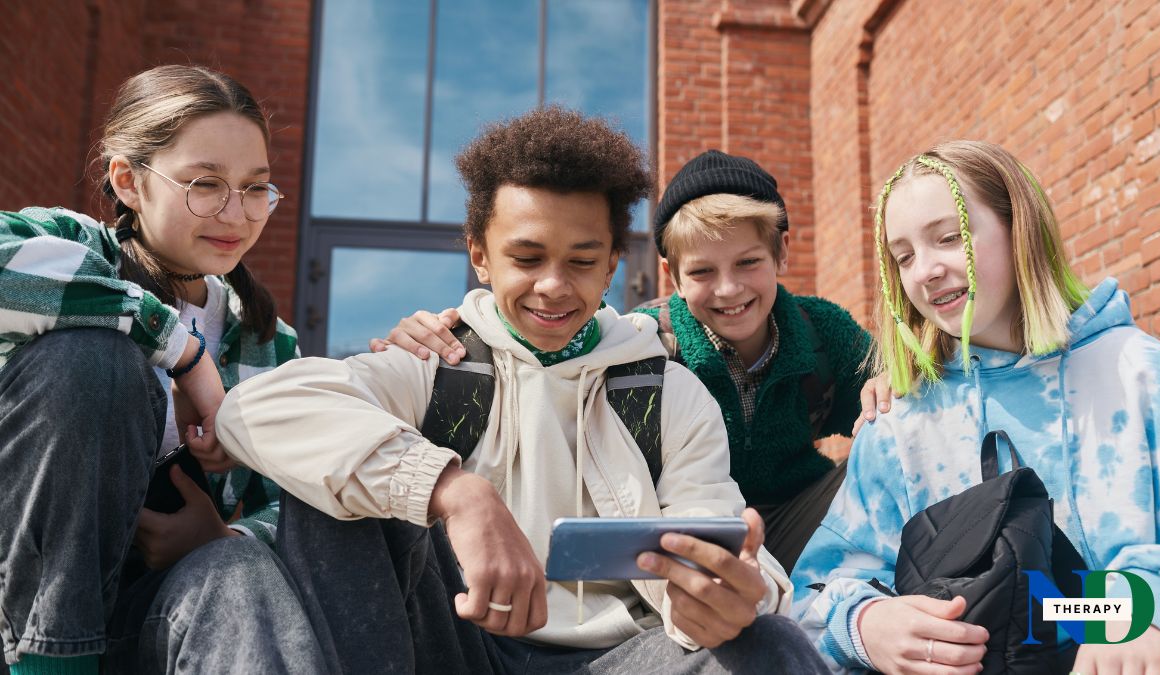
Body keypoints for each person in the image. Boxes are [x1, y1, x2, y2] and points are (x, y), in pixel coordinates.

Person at [216, 106, 829, 674]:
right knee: (335, 491)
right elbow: (251, 408)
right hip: (450, 644)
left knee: (772, 643)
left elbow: (710, 524)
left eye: (582, 261)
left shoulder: (670, 393)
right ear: (481, 256)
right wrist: (453, 491)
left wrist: (720, 594)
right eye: (527, 258)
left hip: (625, 657)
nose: (554, 286)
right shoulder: (437, 361)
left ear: (614, 265)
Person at [789, 140, 1160, 674]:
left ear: (1018, 227)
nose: (926, 271)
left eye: (948, 237)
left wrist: (1135, 608)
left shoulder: (1142, 375)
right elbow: (808, 600)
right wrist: (866, 625)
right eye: (904, 256)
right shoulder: (898, 424)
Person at [380, 150, 874, 571]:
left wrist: (892, 386)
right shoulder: (644, 345)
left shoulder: (821, 333)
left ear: (782, 252)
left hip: (799, 517)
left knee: (889, 451)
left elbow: (902, 407)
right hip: (685, 526)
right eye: (702, 271)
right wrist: (440, 332)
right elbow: (556, 356)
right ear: (673, 277)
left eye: (748, 262)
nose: (729, 289)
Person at [0, 65, 324, 674]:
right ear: (127, 180)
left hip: (163, 612)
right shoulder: (70, 249)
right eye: (205, 183)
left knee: (241, 568)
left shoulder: (268, 343)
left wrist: (227, 538)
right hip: (16, 608)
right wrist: (178, 348)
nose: (236, 214)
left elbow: (302, 503)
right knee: (93, 356)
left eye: (257, 188)